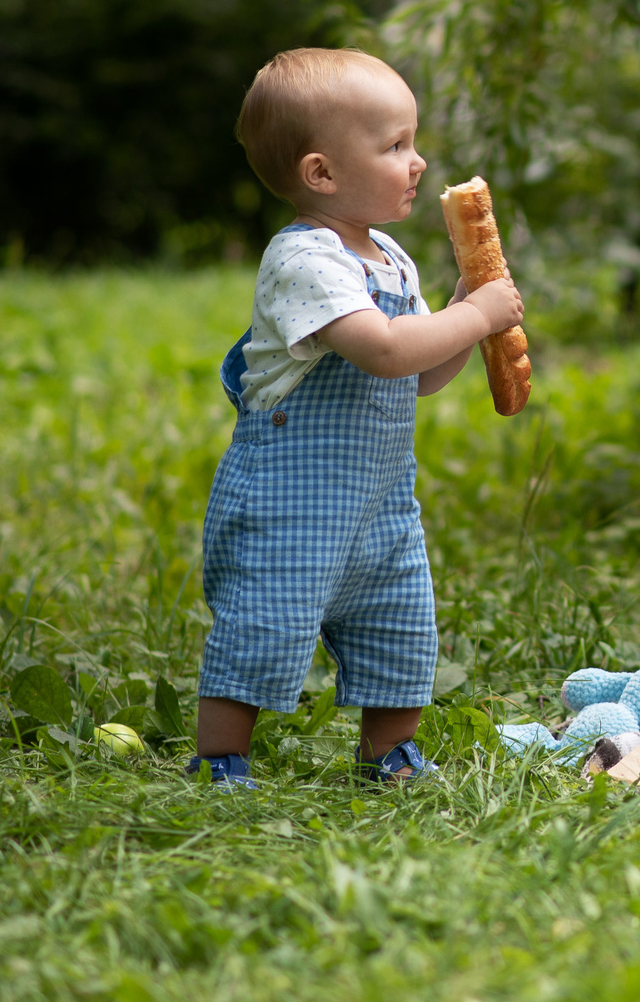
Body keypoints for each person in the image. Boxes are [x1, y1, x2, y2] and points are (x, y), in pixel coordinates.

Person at [189, 48, 525, 787]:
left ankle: (389, 751)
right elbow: (380, 348)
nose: (418, 160)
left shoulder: (392, 259)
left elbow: (421, 371)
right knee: (263, 624)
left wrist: (467, 322)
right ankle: (221, 754)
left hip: (378, 505)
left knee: (401, 622)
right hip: (289, 504)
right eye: (395, 145)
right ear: (322, 173)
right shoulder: (305, 259)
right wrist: (473, 312)